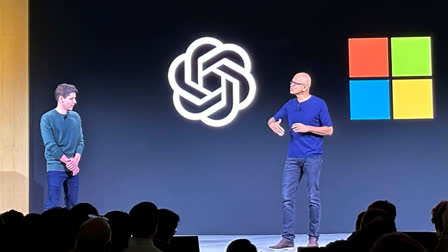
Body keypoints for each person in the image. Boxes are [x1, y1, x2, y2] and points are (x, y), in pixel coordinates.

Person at [268, 72, 333, 249]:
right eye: (291, 82)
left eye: (295, 83)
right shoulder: (290, 105)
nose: (291, 85)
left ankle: (313, 239)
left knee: (313, 198)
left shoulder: (318, 104)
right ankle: (287, 238)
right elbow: (273, 119)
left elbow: (329, 130)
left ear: (305, 87)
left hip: (312, 156)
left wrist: (307, 128)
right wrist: (273, 124)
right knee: (286, 197)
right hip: (293, 157)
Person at [40, 83, 84, 210]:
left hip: (73, 168)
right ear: (61, 99)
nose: (74, 102)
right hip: (56, 166)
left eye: (75, 98)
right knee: (52, 203)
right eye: (71, 98)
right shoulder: (47, 118)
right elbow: (50, 145)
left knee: (73, 204)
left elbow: (80, 141)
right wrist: (67, 162)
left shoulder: (76, 117)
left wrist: (75, 161)